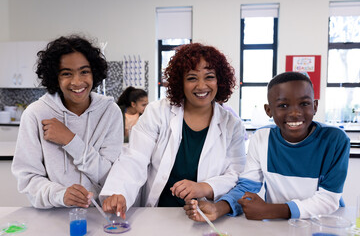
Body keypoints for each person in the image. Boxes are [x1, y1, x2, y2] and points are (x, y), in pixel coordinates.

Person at [100, 43, 247, 218]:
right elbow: (135, 158)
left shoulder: (232, 125)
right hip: (159, 213)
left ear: (220, 80)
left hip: (204, 214)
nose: (201, 86)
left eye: (209, 77)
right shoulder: (157, 112)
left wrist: (204, 187)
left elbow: (237, 174)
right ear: (180, 82)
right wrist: (119, 192)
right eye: (192, 78)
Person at [184, 72, 350, 221]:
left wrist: (271, 211)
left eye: (304, 104)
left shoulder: (335, 140)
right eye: (283, 105)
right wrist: (218, 208)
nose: (295, 113)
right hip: (280, 225)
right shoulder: (262, 138)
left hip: (324, 223)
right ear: (268, 110)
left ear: (315, 106)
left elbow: (328, 199)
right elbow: (248, 186)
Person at [11, 35, 123, 209]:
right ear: (55, 77)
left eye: (84, 71)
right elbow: (27, 179)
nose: (77, 82)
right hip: (52, 215)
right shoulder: (35, 114)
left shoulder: (110, 112)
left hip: (99, 215)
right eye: (66, 73)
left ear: (94, 72)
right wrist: (60, 195)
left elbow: (111, 176)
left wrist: (70, 140)